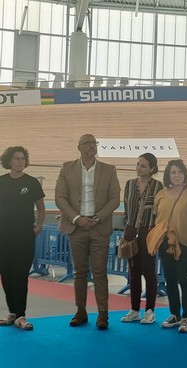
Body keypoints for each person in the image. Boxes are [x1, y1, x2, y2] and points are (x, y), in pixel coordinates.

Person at [55, 134, 120, 330]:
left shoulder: (109, 169)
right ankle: (80, 311)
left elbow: (115, 198)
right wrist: (76, 218)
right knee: (79, 272)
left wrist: (98, 218)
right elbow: (60, 197)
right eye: (86, 143)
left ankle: (103, 314)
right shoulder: (67, 168)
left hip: (99, 227)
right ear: (79, 147)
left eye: (93, 143)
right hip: (76, 227)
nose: (91, 146)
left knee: (100, 272)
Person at [149, 159, 187, 332]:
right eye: (173, 172)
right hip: (165, 242)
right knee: (170, 279)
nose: (177, 175)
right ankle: (174, 314)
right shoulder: (160, 195)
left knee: (184, 279)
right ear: (168, 175)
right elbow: (157, 217)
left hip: (185, 243)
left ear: (185, 174)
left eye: (180, 172)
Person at [0, 146, 45, 330]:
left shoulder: (32, 182)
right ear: (9, 161)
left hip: (24, 235)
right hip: (3, 236)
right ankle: (12, 313)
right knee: (6, 275)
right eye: (17, 158)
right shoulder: (1, 181)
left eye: (22, 158)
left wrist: (38, 226)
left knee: (20, 275)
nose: (20, 161)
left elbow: (41, 208)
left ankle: (21, 315)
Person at [120, 153, 163, 325]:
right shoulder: (129, 184)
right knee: (133, 271)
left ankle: (150, 311)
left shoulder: (158, 186)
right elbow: (126, 208)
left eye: (143, 166)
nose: (139, 168)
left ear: (152, 168)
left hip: (149, 231)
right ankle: (134, 310)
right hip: (131, 230)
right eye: (138, 164)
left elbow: (159, 210)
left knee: (149, 271)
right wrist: (127, 229)